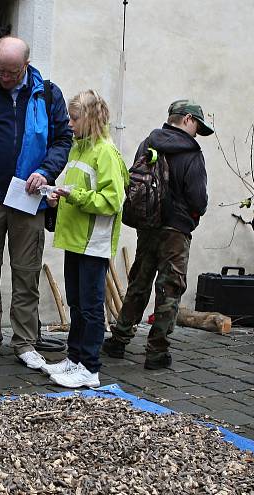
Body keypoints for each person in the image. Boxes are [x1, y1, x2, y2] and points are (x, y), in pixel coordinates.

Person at [0, 36, 72, 368]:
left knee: (26, 272)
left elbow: (63, 138)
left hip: (29, 200)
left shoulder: (47, 94)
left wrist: (47, 171)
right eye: (1, 70)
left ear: (27, 66)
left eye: (12, 72)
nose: (5, 78)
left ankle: (25, 343)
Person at [100, 100, 212, 370]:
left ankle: (118, 339)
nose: (197, 132)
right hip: (176, 229)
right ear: (187, 119)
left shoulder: (148, 142)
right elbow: (198, 199)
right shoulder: (192, 152)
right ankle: (157, 351)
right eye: (197, 124)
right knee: (169, 288)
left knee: (139, 281)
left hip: (147, 225)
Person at [39, 90, 127, 388]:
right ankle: (74, 358)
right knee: (76, 304)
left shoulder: (105, 152)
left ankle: (90, 368)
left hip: (93, 242)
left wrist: (72, 196)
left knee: (90, 307)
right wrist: (58, 199)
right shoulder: (79, 149)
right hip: (76, 239)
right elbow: (78, 193)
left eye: (74, 118)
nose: (69, 123)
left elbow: (113, 200)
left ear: (90, 118)